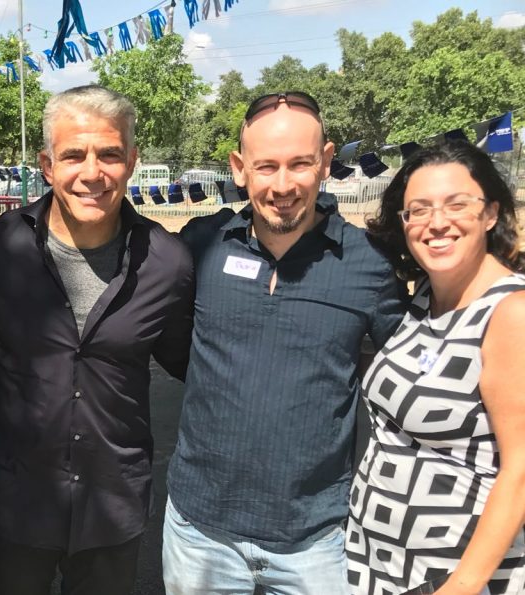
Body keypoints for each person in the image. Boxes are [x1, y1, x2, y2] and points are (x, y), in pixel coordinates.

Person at [162, 91, 408, 593]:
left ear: (326, 162)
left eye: (299, 164)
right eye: (266, 166)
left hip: (316, 539)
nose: (282, 185)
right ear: (239, 168)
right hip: (200, 532)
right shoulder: (201, 244)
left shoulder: (369, 263)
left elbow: (409, 373)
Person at [0, 85, 195, 594]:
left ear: (131, 162)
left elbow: (195, 364)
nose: (92, 173)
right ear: (47, 166)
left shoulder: (167, 263)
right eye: (73, 156)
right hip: (16, 500)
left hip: (112, 503)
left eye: (109, 154)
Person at [347, 140, 525, 595]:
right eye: (419, 210)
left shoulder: (511, 313)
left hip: (454, 575)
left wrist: (461, 586)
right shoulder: (427, 296)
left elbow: (521, 471)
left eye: (457, 204)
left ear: (490, 213)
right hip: (380, 566)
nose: (437, 222)